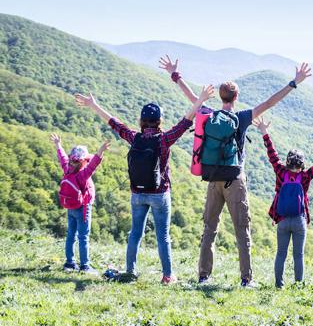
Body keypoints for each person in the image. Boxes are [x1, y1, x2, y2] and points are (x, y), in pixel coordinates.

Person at [158, 55, 312, 287]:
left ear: (220, 97)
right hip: (235, 180)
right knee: (242, 229)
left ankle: (203, 276)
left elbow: (192, 98)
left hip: (212, 177)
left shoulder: (209, 113)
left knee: (209, 227)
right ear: (236, 97)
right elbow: (270, 103)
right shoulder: (241, 118)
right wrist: (294, 82)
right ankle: (245, 278)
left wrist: (175, 74)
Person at [75, 84, 215, 284]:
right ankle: (167, 276)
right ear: (159, 121)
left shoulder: (135, 138)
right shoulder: (164, 139)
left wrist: (93, 105)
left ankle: (130, 271)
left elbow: (115, 124)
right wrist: (200, 100)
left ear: (141, 121)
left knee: (135, 233)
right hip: (160, 194)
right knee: (163, 237)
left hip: (137, 194)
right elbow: (186, 122)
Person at [253, 116, 313, 288]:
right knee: (298, 255)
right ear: (302, 164)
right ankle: (298, 286)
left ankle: (279, 285)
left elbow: (272, 154)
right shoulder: (306, 176)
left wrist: (264, 131)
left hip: (282, 219)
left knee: (281, 254)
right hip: (299, 219)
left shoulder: (280, 171)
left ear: (287, 162)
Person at [50, 133, 111, 275]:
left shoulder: (67, 169)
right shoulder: (83, 174)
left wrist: (58, 144)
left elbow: (63, 158)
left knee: (71, 234)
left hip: (70, 207)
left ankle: (69, 263)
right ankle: (85, 266)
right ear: (83, 161)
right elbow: (94, 164)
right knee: (83, 237)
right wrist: (100, 151)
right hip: (83, 208)